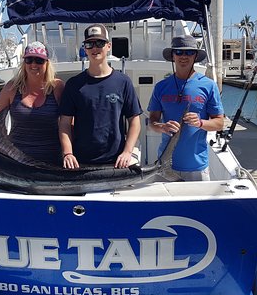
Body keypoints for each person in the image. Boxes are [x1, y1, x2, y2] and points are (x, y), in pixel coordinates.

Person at [59, 23, 142, 169]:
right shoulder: (73, 84)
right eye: (89, 44)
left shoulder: (123, 82)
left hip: (117, 163)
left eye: (99, 43)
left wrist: (127, 152)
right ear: (85, 48)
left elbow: (134, 121)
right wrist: (68, 153)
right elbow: (65, 123)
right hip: (80, 163)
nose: (95, 48)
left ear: (108, 46)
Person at [147, 35, 224, 181]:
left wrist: (200, 123)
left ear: (195, 56)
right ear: (172, 55)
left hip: (197, 167)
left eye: (189, 52)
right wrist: (163, 127)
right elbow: (151, 123)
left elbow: (219, 123)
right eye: (179, 52)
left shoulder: (208, 85)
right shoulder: (161, 87)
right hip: (164, 166)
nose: (184, 56)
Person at [0, 41, 65, 163]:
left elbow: (68, 124)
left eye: (39, 60)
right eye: (29, 60)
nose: (33, 64)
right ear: (24, 63)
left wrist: (68, 153)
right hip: (16, 160)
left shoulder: (58, 87)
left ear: (47, 63)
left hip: (51, 160)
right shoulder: (11, 87)